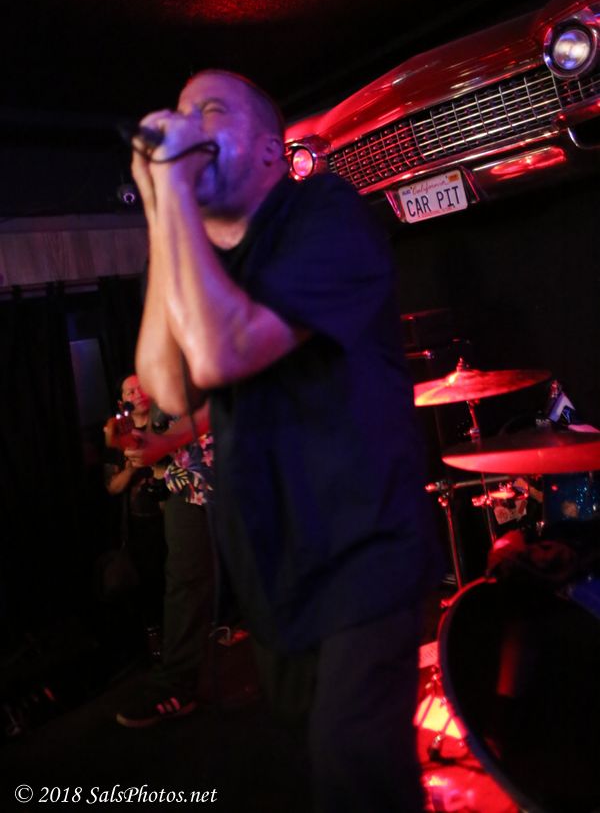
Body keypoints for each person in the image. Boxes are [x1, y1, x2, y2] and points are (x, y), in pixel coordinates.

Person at [132, 70, 440, 812]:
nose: (188, 125)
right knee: (319, 771)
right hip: (277, 572)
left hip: (365, 555)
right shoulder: (205, 261)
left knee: (352, 771)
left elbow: (220, 354)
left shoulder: (327, 213)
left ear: (272, 149)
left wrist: (170, 185)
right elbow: (169, 389)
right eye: (180, 113)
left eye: (210, 111)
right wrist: (163, 212)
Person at [113, 404, 217, 728]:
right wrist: (144, 443)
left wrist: (167, 440)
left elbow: (223, 395)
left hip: (239, 467)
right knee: (184, 582)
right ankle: (177, 685)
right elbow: (167, 415)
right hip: (186, 481)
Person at [104, 374, 168, 651]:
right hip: (142, 524)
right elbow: (112, 487)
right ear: (122, 401)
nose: (137, 393)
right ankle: (157, 642)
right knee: (150, 583)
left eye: (141, 387)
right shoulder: (118, 434)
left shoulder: (167, 422)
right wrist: (133, 465)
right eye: (130, 391)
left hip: (175, 513)